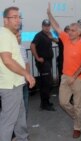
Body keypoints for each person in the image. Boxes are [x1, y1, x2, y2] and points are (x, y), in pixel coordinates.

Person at [47, 3, 81, 138]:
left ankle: (77, 126)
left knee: (77, 105)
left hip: (78, 78)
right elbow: (57, 26)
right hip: (65, 77)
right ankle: (77, 116)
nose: (69, 32)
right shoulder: (65, 39)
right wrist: (49, 14)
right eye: (69, 30)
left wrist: (75, 76)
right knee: (63, 102)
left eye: (72, 30)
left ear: (78, 33)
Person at [0, 6, 35, 141]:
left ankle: (22, 138)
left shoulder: (10, 35)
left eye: (19, 17)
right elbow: (7, 60)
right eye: (13, 17)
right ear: (5, 20)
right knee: (8, 122)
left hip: (16, 84)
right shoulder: (4, 34)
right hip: (11, 86)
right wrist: (26, 74)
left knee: (20, 118)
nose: (18, 20)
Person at [30, 19, 57, 111]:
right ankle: (45, 104)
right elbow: (32, 46)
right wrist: (37, 58)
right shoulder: (39, 35)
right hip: (43, 63)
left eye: (48, 26)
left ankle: (45, 102)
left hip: (48, 62)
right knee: (46, 83)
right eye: (45, 26)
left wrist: (51, 37)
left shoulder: (47, 35)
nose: (47, 27)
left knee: (47, 82)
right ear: (42, 26)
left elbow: (56, 41)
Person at [16, 30, 30, 117]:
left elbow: (27, 63)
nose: (19, 38)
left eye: (20, 36)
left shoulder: (22, 48)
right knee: (15, 107)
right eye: (17, 36)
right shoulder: (7, 49)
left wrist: (28, 76)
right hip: (15, 83)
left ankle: (22, 126)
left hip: (24, 81)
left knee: (25, 103)